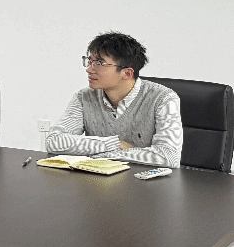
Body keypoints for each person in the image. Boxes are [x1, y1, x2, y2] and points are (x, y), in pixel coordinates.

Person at [44, 32, 183, 168]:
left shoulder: (163, 99)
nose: (89, 69)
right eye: (90, 61)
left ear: (127, 73)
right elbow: (54, 141)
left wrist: (99, 154)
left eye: (99, 63)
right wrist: (114, 144)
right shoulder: (84, 97)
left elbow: (169, 156)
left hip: (144, 181)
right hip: (98, 179)